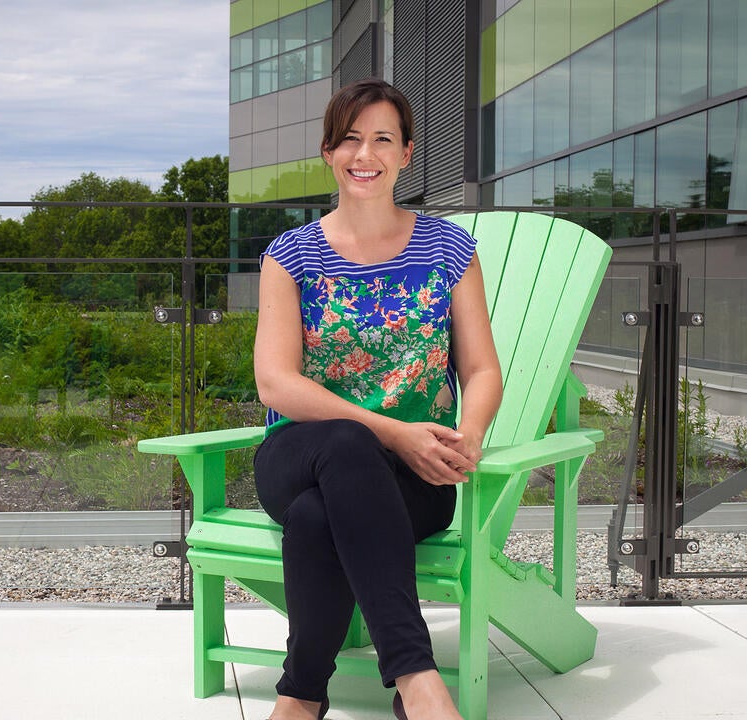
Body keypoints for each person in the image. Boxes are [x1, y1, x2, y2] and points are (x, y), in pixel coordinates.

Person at [252, 77, 503, 720]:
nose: (366, 154)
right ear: (328, 153)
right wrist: (392, 430)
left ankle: (301, 695)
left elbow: (481, 370)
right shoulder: (291, 256)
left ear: (407, 152)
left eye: (382, 138)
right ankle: (416, 678)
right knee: (346, 440)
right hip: (300, 451)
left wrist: (466, 436)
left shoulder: (449, 249)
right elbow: (275, 383)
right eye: (350, 139)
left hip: (416, 474)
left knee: (315, 519)